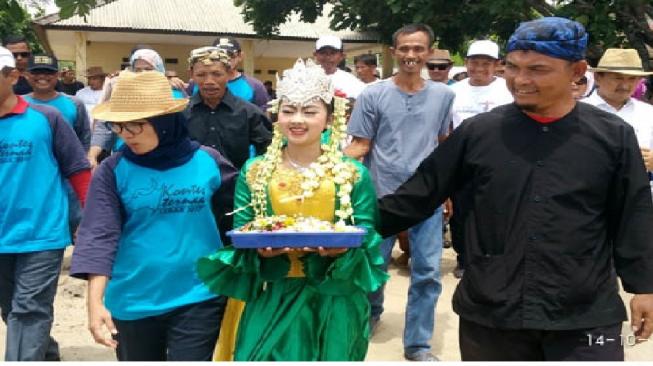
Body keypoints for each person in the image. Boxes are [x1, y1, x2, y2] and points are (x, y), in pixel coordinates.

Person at [377, 17, 653, 361]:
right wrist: (342, 229)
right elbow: (417, 196)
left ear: (578, 71)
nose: (521, 80)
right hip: (493, 310)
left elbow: (634, 214)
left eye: (538, 69)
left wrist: (644, 287)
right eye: (512, 67)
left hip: (583, 312)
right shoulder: (478, 134)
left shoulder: (612, 137)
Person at [196, 58, 387, 361]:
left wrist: (342, 250)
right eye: (289, 110)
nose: (297, 120)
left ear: (328, 118)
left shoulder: (352, 173)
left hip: (334, 295)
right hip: (271, 291)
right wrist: (259, 250)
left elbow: (366, 233)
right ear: (276, 117)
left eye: (310, 111)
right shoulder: (255, 171)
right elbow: (244, 229)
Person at [70, 70, 237, 361]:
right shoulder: (111, 171)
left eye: (135, 125)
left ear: (164, 121)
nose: (126, 135)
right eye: (118, 127)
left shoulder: (208, 162)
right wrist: (95, 303)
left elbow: (240, 217)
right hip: (133, 301)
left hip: (199, 296)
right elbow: (99, 234)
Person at [345, 23, 454, 362]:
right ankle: (367, 316)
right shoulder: (373, 94)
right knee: (372, 268)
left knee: (427, 273)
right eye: (404, 48)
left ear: (429, 52)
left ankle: (418, 343)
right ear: (394, 52)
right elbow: (360, 145)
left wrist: (448, 190)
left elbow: (443, 145)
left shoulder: (444, 95)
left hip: (426, 198)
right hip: (381, 197)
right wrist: (315, 166)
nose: (411, 55)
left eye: (418, 49)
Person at [0, 46, 91, 361]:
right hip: (2, 236)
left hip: (42, 231)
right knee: (11, 309)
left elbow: (78, 169)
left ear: (12, 76)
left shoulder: (46, 117)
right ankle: (46, 353)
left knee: (29, 309)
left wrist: (89, 221)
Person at [448, 39, 514, 279]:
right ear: (466, 63)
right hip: (463, 161)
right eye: (474, 62)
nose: (479, 68)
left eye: (486, 63)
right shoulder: (452, 91)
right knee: (462, 213)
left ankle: (495, 258)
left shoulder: (508, 90)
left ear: (497, 64)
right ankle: (464, 258)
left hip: (501, 160)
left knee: (498, 211)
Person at [23, 54, 91, 239]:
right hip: (32, 176)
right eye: (37, 72)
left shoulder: (74, 103)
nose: (42, 77)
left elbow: (84, 137)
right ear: (27, 75)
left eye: (49, 72)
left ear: (57, 75)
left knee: (77, 221)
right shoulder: (19, 103)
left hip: (69, 175)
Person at [87, 48, 187, 168]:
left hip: (168, 160)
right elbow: (104, 127)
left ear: (160, 70)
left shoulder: (173, 94)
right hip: (125, 159)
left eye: (148, 69)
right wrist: (92, 155)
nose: (142, 73)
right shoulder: (124, 94)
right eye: (137, 69)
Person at [185, 47, 272, 170]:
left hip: (236, 186)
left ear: (229, 73)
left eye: (217, 74)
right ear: (191, 75)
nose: (209, 81)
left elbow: (268, 153)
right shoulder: (180, 113)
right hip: (192, 186)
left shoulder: (249, 113)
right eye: (201, 75)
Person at [583, 48, 653, 195]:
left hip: (637, 197)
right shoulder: (578, 111)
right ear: (597, 77)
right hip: (588, 196)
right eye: (618, 78)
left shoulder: (648, 113)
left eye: (632, 79)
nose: (625, 85)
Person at [214, 37, 270, 110]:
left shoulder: (256, 86)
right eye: (220, 55)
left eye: (230, 55)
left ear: (240, 56)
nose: (226, 59)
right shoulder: (198, 84)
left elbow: (263, 117)